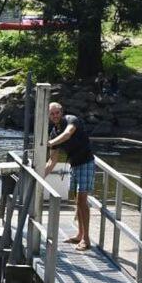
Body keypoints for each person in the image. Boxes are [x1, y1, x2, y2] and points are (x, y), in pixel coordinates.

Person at [44, 102, 95, 250]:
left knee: (82, 201)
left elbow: (67, 134)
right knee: (77, 202)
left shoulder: (71, 120)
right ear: (48, 116)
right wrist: (40, 177)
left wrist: (49, 143)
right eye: (52, 114)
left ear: (62, 112)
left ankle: (86, 240)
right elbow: (52, 160)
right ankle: (79, 235)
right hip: (74, 165)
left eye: (57, 113)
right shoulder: (53, 133)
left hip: (86, 162)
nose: (55, 116)